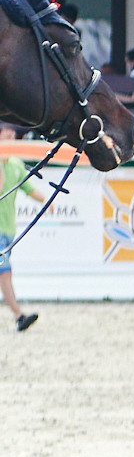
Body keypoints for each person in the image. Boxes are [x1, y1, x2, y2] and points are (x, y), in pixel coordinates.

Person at [1, 128, 39, 332]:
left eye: (12, 137)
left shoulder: (16, 163)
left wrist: (47, 202)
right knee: (5, 273)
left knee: (4, 274)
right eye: (6, 136)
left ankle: (17, 315)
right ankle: (18, 315)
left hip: (8, 229)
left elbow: (28, 189)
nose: (10, 140)